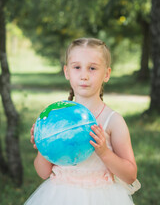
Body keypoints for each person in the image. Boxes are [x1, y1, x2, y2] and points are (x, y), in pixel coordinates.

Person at [25, 38, 141, 205]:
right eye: (77, 67)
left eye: (92, 68)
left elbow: (130, 175)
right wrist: (43, 144)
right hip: (59, 196)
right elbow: (43, 172)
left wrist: (104, 152)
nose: (84, 75)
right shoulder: (56, 119)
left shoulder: (113, 121)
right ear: (67, 72)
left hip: (102, 197)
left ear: (106, 74)